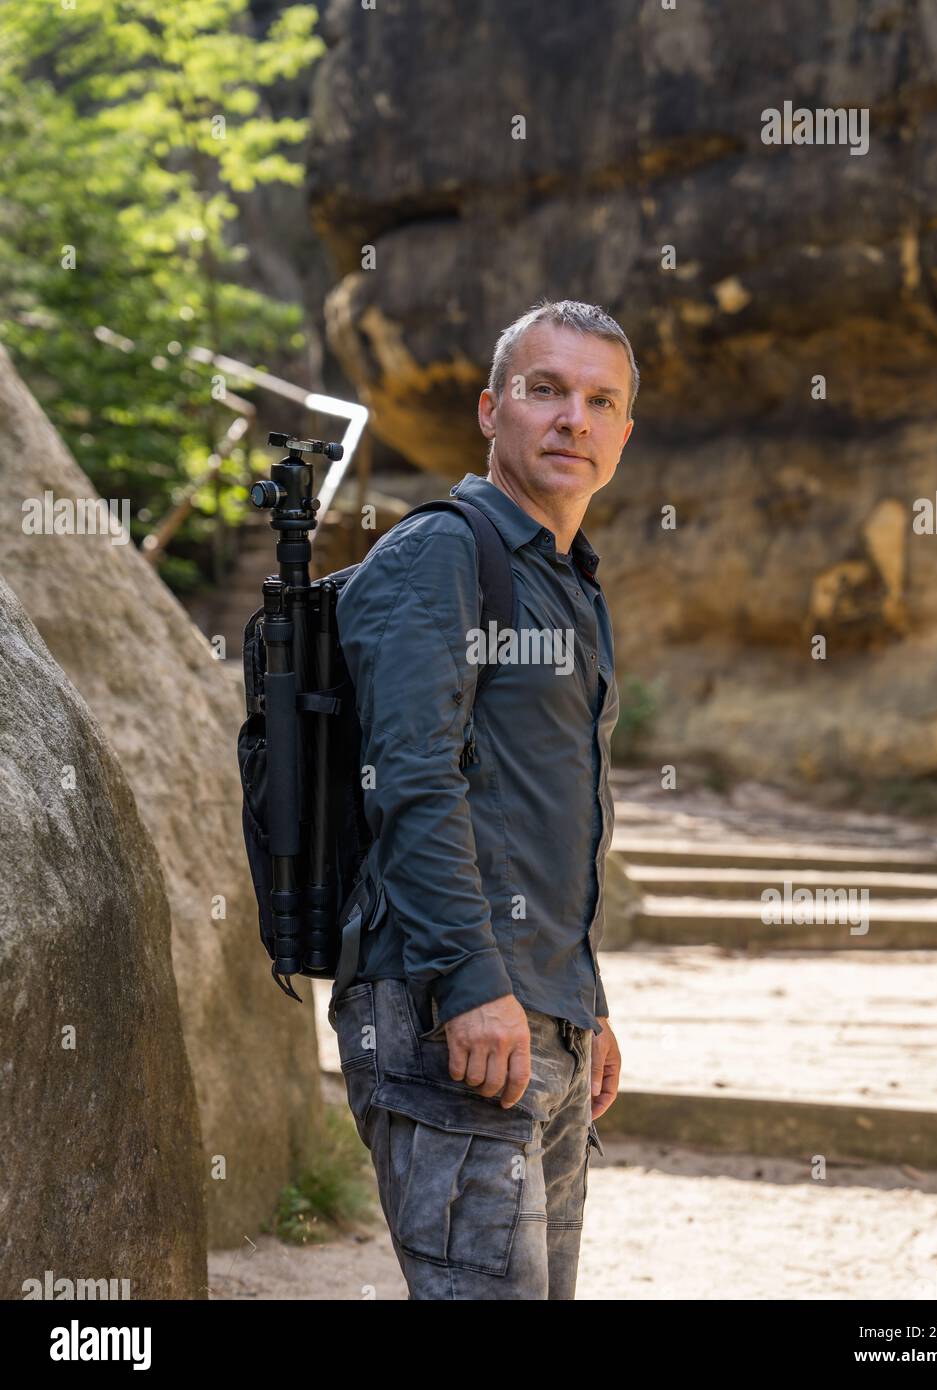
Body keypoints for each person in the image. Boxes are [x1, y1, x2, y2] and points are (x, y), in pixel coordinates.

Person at [334, 297, 637, 1299]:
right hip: (445, 1016)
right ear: (490, 408)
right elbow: (409, 781)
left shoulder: (566, 581)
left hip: (536, 1020)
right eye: (544, 389)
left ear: (623, 433)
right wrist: (469, 980)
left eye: (600, 400)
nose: (573, 420)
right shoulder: (441, 556)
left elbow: (541, 816)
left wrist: (580, 1005)